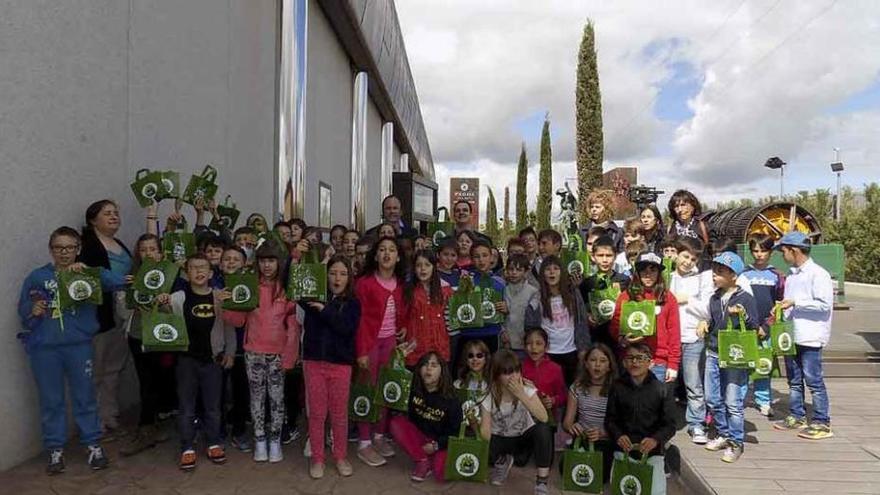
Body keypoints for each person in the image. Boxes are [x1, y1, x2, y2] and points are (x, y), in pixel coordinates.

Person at [18, 226, 127, 474]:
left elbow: (117, 282)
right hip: (45, 349)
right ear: (51, 249)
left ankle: (92, 445)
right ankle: (55, 450)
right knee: (51, 400)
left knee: (85, 397)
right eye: (59, 247)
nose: (64, 252)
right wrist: (31, 311)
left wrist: (89, 271)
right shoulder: (37, 277)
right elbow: (23, 308)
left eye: (69, 247)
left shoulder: (87, 273)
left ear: (78, 249)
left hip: (79, 346)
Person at [157, 254, 236, 470]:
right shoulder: (179, 297)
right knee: (186, 406)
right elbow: (163, 315)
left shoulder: (219, 297)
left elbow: (228, 325)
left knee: (212, 406)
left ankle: (214, 442)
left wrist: (230, 351)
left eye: (203, 268)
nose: (199, 271)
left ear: (211, 273)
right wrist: (162, 301)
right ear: (187, 273)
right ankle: (187, 446)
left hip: (212, 360)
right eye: (193, 268)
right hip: (186, 360)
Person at [222, 241, 299, 463]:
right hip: (253, 351)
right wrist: (228, 305)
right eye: (263, 261)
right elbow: (238, 320)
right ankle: (260, 439)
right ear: (257, 262)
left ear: (279, 263)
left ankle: (275, 440)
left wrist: (289, 357)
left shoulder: (286, 290)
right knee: (256, 398)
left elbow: (292, 328)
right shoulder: (250, 286)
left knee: (276, 398)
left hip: (278, 353)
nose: (267, 265)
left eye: (271, 261)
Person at [301, 255, 360, 479]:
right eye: (333, 272)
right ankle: (317, 458)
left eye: (343, 273)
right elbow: (293, 285)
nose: (337, 278)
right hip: (314, 363)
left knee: (339, 414)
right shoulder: (313, 295)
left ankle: (340, 456)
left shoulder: (353, 303)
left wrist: (324, 310)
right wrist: (316, 266)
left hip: (340, 365)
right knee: (316, 413)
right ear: (325, 275)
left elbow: (345, 328)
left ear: (349, 278)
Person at [696, 251, 759, 463]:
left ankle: (736, 441)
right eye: (714, 271)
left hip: (735, 355)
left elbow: (753, 325)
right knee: (712, 398)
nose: (714, 275)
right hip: (713, 351)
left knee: (733, 400)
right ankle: (724, 433)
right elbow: (714, 321)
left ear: (734, 275)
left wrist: (742, 314)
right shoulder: (714, 298)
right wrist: (705, 323)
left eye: (720, 272)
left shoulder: (745, 298)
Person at [772, 232, 834, 440]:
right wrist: (781, 308)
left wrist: (796, 302)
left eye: (783, 251)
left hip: (811, 336)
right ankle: (797, 415)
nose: (782, 255)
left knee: (814, 381)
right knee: (794, 380)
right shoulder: (792, 275)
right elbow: (790, 302)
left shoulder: (818, 274)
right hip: (793, 335)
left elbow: (824, 304)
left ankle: (821, 422)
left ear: (794, 250)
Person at [78, 200, 132, 438]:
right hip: (99, 314)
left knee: (114, 366)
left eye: (116, 213)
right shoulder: (88, 245)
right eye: (107, 213)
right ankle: (93, 420)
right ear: (93, 220)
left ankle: (109, 414)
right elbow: (95, 275)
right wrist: (125, 281)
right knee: (97, 368)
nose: (114, 217)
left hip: (122, 312)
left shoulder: (119, 243)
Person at [354, 236, 408, 466]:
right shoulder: (364, 283)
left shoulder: (401, 284)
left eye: (392, 250)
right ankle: (364, 442)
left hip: (390, 343)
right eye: (382, 250)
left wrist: (403, 328)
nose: (387, 254)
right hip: (369, 343)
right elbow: (359, 320)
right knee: (367, 390)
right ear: (375, 256)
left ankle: (378, 436)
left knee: (387, 390)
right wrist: (362, 351)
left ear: (398, 257)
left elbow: (403, 313)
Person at [118, 234, 171, 457]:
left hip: (165, 336)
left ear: (160, 252)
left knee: (162, 381)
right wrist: (133, 305)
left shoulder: (170, 276)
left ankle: (156, 423)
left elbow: (179, 305)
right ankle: (145, 428)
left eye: (152, 249)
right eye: (143, 249)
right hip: (139, 336)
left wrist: (166, 301)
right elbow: (122, 311)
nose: (148, 253)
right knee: (146, 382)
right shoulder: (131, 277)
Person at [605, 343, 677, 495]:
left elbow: (670, 425)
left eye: (640, 358)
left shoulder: (662, 389)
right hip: (623, 450)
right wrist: (618, 436)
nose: (635, 363)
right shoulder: (617, 387)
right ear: (624, 363)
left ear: (650, 363)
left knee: (655, 491)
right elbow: (610, 420)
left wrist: (655, 440)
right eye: (630, 358)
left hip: (652, 452)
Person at [479, 350, 553, 494]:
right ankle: (501, 460)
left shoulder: (527, 388)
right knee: (483, 448)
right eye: (507, 373)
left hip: (522, 438)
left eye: (516, 371)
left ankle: (541, 482)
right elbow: (486, 433)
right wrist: (478, 424)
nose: (513, 376)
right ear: (497, 376)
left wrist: (521, 394)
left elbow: (544, 417)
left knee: (543, 429)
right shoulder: (488, 393)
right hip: (499, 438)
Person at [389, 352, 463, 483]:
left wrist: (436, 446)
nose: (428, 368)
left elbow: (455, 433)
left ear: (442, 371)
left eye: (434, 365)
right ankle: (422, 461)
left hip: (440, 442)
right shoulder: (413, 389)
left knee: (441, 475)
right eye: (425, 364)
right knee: (396, 423)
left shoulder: (452, 400)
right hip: (420, 437)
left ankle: (431, 458)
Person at [610, 253, 681, 387]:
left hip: (658, 361)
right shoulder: (626, 296)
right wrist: (623, 340)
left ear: (659, 273)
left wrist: (673, 364)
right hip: (630, 359)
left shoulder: (668, 298)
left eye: (653, 270)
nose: (648, 275)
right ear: (637, 272)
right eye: (643, 270)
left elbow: (674, 333)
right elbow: (615, 326)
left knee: (654, 405)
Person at [668, 237, 713, 444]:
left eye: (693, 259)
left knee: (693, 383)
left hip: (693, 337)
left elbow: (708, 308)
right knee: (666, 382)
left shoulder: (702, 278)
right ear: (676, 253)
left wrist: (688, 300)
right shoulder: (667, 276)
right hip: (670, 338)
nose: (688, 262)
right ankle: (664, 421)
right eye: (685, 256)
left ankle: (696, 424)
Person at [525, 255, 590, 385]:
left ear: (562, 272)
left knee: (572, 388)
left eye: (556, 268)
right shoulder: (537, 298)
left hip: (570, 350)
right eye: (548, 269)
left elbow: (581, 321)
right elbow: (530, 326)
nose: (552, 272)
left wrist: (583, 348)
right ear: (542, 274)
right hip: (548, 352)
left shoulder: (573, 294)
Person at [741, 234, 786, 418]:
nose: (759, 254)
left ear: (771, 252)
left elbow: (779, 304)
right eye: (755, 251)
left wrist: (766, 326)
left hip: (766, 328)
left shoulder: (777, 275)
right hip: (746, 327)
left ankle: (763, 400)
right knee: (742, 363)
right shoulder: (743, 274)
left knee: (763, 364)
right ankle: (739, 399)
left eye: (763, 251)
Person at [563, 343, 619, 483]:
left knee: (601, 475)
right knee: (566, 469)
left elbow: (623, 424)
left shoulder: (617, 389)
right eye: (593, 360)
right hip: (583, 438)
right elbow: (567, 422)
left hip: (607, 440)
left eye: (602, 361)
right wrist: (572, 427)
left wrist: (603, 433)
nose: (597, 365)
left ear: (610, 366)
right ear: (586, 364)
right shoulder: (577, 387)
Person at [218, 246, 252, 452]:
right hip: (218, 349)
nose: (231, 262)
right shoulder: (213, 285)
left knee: (241, 393)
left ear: (244, 264)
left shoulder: (249, 286)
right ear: (220, 264)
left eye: (236, 259)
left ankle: (239, 432)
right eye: (227, 259)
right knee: (217, 394)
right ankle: (218, 431)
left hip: (244, 348)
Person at [403, 250, 453, 367]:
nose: (423, 269)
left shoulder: (445, 290)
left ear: (434, 267)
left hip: (440, 346)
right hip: (415, 348)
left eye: (427, 265)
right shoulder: (408, 291)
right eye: (418, 265)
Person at [580, 235, 630, 350]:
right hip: (595, 338)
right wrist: (587, 317)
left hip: (618, 340)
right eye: (600, 255)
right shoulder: (587, 283)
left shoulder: (624, 280)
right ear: (593, 257)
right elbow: (581, 309)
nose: (605, 260)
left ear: (615, 256)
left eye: (609, 256)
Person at [456, 240, 506, 356]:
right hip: (468, 334)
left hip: (491, 334)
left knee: (490, 369)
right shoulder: (465, 280)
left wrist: (506, 308)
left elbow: (507, 310)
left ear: (491, 258)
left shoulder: (500, 283)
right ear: (472, 259)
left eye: (485, 255)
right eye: (477, 256)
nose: (481, 260)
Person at [521, 328, 567, 451]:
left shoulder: (555, 369)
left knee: (545, 458)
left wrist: (553, 400)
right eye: (529, 344)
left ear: (546, 347)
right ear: (524, 347)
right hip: (525, 418)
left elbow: (563, 395)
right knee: (521, 460)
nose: (534, 348)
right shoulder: (521, 367)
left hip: (547, 418)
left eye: (539, 343)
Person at [500, 254, 539, 355]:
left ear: (526, 272)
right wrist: (502, 331)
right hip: (507, 341)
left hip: (525, 342)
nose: (514, 273)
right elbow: (499, 315)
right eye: (511, 269)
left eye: (518, 270)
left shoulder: (533, 292)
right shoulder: (504, 290)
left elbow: (535, 319)